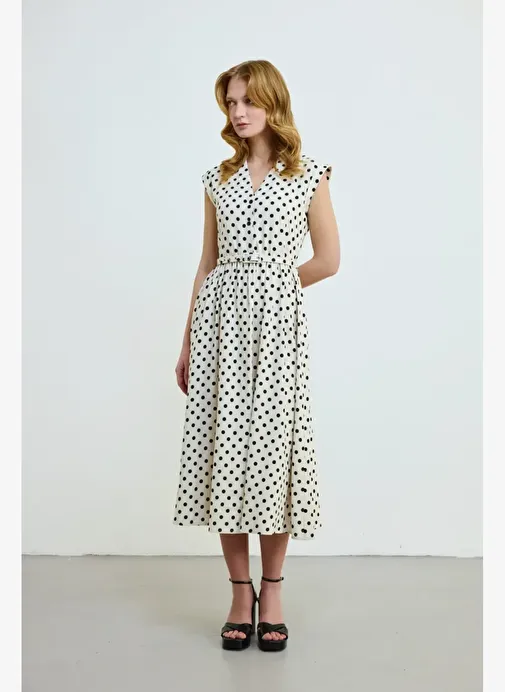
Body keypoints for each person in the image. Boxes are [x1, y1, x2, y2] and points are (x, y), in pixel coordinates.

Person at [173, 60, 340, 651]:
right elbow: (207, 263)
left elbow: (328, 260)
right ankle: (239, 594)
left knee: (271, 454)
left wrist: (274, 286)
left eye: (248, 100)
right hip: (218, 329)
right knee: (225, 452)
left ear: (273, 102)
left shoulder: (309, 174)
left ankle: (273, 592)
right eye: (230, 103)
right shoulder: (217, 178)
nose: (238, 112)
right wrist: (187, 340)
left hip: (275, 335)